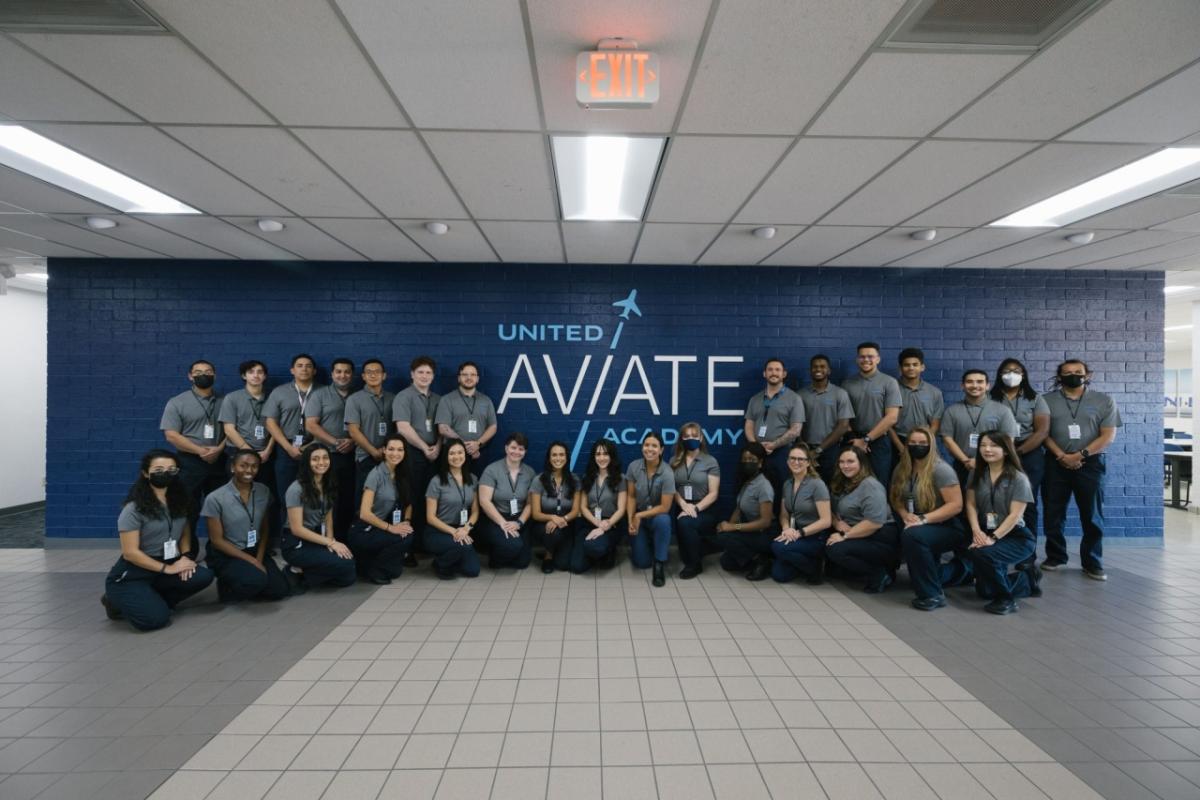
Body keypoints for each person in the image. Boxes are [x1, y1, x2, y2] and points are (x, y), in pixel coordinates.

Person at [102, 450, 214, 631]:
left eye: (171, 469)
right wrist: (168, 569)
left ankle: (151, 599)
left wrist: (185, 555)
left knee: (202, 576)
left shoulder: (180, 500)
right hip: (134, 572)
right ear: (146, 473)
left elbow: (185, 530)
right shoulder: (133, 509)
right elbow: (130, 553)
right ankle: (114, 601)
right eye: (159, 469)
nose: (166, 473)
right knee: (154, 621)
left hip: (167, 562)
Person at [1041, 359, 1122, 580]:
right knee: (1053, 512)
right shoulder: (1045, 400)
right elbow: (1042, 433)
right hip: (1055, 463)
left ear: (1088, 375)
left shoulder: (1104, 400)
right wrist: (1061, 456)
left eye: (1078, 372)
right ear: (1059, 377)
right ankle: (1056, 556)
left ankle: (1092, 562)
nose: (1073, 375)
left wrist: (1079, 455)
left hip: (1091, 464)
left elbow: (1108, 435)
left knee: (1092, 514)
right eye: (1067, 373)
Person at [965, 432, 1042, 614]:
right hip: (986, 531)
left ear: (1006, 450)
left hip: (1016, 536)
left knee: (982, 553)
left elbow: (1015, 515)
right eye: (983, 445)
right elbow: (970, 504)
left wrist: (992, 538)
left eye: (993, 445)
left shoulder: (1018, 478)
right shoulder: (976, 474)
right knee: (985, 592)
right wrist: (977, 531)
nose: (987, 449)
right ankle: (1027, 580)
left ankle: (1006, 600)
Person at [893, 427, 967, 611]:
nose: (917, 446)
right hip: (917, 523)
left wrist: (923, 519)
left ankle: (932, 595)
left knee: (913, 537)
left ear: (931, 445)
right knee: (925, 571)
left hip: (947, 526)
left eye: (922, 443)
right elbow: (895, 498)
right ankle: (965, 570)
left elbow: (956, 505)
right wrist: (905, 515)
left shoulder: (941, 470)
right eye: (913, 443)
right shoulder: (902, 468)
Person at [201, 449, 289, 602]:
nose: (249, 470)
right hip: (228, 554)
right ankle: (227, 587)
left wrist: (259, 558)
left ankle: (250, 582)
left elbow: (264, 528)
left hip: (254, 550)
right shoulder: (215, 498)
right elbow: (217, 541)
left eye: (254, 466)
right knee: (256, 580)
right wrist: (253, 562)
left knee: (279, 590)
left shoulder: (264, 491)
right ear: (233, 467)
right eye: (244, 465)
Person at [160, 359, 226, 548]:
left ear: (214, 375)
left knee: (221, 508)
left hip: (219, 462)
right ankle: (188, 550)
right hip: (189, 462)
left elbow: (232, 430)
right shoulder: (177, 402)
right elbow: (171, 435)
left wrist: (219, 449)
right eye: (198, 372)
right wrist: (200, 451)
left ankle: (219, 549)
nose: (203, 375)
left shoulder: (225, 401)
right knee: (188, 508)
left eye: (208, 371)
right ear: (190, 376)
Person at [281, 443, 356, 591]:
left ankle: (302, 572)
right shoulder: (296, 489)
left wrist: (331, 542)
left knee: (348, 570)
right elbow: (297, 529)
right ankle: (293, 572)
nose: (321, 462)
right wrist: (331, 543)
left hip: (317, 538)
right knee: (346, 568)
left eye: (325, 458)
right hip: (296, 543)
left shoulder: (328, 483)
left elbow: (328, 517)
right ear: (307, 463)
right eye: (315, 459)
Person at [824, 445, 899, 593]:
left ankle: (879, 573)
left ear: (862, 463)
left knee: (835, 549)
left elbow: (874, 523)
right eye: (842, 462)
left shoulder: (870, 486)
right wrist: (837, 523)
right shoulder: (842, 482)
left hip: (880, 536)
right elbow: (831, 510)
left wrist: (845, 536)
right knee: (831, 564)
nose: (845, 466)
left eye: (850, 461)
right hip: (857, 532)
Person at [992, 358, 1050, 537]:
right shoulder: (989, 398)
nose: (1011, 375)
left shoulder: (1035, 398)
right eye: (1006, 371)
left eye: (1016, 371)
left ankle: (1027, 554)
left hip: (1028, 452)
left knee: (1027, 502)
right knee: (996, 501)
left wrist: (1018, 452)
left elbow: (1042, 431)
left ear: (1023, 374)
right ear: (1000, 375)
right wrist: (1003, 452)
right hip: (996, 454)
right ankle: (997, 546)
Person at [347, 434, 416, 585]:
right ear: (384, 450)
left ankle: (369, 565)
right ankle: (373, 570)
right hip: (365, 529)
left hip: (383, 528)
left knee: (395, 570)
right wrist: (391, 528)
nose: (395, 453)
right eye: (391, 449)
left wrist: (407, 522)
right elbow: (365, 513)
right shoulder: (375, 475)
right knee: (404, 538)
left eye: (400, 450)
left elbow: (409, 504)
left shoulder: (403, 473)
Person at [264, 353, 319, 539]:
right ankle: (288, 538)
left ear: (314, 371)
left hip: (315, 448)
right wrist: (288, 448)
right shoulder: (279, 392)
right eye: (300, 365)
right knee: (286, 495)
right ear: (292, 370)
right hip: (285, 449)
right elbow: (270, 422)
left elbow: (327, 422)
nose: (304, 368)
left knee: (315, 495)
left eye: (308, 366)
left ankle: (312, 536)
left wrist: (309, 446)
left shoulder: (324, 391)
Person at [305, 358, 357, 538]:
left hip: (353, 455)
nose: (343, 375)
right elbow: (311, 425)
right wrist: (336, 442)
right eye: (338, 371)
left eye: (347, 371)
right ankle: (326, 538)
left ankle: (344, 538)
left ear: (352, 374)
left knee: (348, 500)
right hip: (327, 457)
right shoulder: (319, 395)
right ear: (332, 374)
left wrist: (352, 441)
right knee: (327, 500)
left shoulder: (358, 395)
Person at [940, 369, 1020, 486]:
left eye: (979, 382)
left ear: (987, 386)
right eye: (969, 382)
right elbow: (947, 439)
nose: (974, 385)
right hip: (962, 466)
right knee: (963, 502)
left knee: (991, 503)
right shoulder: (952, 411)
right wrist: (966, 461)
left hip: (994, 466)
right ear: (962, 385)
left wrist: (984, 460)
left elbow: (1008, 440)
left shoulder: (1003, 411)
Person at [393, 356, 441, 546]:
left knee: (430, 499)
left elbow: (443, 427)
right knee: (411, 498)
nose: (424, 376)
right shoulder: (403, 397)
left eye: (428, 372)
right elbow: (403, 427)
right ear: (412, 374)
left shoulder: (438, 399)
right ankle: (409, 546)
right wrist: (424, 447)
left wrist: (437, 447)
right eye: (420, 372)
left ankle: (425, 543)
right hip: (412, 454)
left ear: (433, 376)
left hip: (434, 455)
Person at [842, 342, 902, 490]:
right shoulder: (847, 384)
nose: (866, 360)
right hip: (854, 441)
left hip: (879, 441)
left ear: (878, 359)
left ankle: (878, 514)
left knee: (878, 484)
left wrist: (867, 439)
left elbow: (892, 417)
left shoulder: (889, 382)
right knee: (852, 483)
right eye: (862, 356)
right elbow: (844, 417)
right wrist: (855, 439)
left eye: (870, 356)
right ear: (857, 360)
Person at [770, 444, 832, 584]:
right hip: (795, 533)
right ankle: (804, 563)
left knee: (777, 546)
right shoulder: (787, 484)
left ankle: (815, 567)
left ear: (808, 462)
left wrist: (799, 533)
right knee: (779, 575)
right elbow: (784, 514)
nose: (796, 462)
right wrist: (786, 529)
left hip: (815, 537)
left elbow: (826, 520)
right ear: (787, 461)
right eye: (792, 458)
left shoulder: (817, 484)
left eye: (800, 459)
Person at [715, 442, 776, 581]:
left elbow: (765, 522)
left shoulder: (764, 486)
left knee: (724, 537)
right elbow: (738, 509)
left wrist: (733, 528)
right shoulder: (747, 482)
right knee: (727, 563)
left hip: (765, 534)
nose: (747, 463)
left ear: (760, 463)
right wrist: (728, 527)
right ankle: (755, 558)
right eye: (745, 460)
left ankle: (761, 560)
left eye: (752, 460)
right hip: (751, 531)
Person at [743, 357, 805, 494]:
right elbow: (748, 425)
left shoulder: (794, 398)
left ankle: (780, 516)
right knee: (757, 490)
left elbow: (796, 430)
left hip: (781, 452)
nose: (774, 373)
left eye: (778, 370)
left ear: (784, 374)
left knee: (781, 489)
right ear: (764, 374)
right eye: (770, 370)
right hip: (758, 454)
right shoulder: (755, 399)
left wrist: (773, 445)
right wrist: (756, 447)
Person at [478, 433, 538, 570]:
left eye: (521, 449)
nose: (516, 452)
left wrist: (519, 522)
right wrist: (503, 523)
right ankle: (496, 558)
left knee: (522, 563)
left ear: (525, 452)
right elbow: (484, 501)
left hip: (518, 519)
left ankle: (508, 552)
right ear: (506, 448)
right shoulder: (492, 470)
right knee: (513, 546)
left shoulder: (530, 472)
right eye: (513, 447)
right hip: (496, 518)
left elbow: (530, 503)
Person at [424, 441, 482, 579]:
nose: (456, 456)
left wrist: (466, 529)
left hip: (462, 530)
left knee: (472, 571)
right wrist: (454, 532)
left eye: (460, 452)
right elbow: (430, 517)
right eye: (452, 453)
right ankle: (440, 564)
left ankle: (448, 559)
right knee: (461, 547)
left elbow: (475, 511)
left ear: (465, 455)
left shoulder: (472, 479)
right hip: (438, 531)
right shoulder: (436, 481)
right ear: (446, 457)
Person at [671, 422, 721, 579]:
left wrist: (695, 508)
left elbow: (713, 493)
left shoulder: (710, 461)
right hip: (681, 506)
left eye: (694, 436)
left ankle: (695, 565)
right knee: (684, 554)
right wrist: (684, 505)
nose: (690, 439)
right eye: (686, 436)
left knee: (686, 523)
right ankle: (703, 548)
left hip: (704, 508)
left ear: (701, 438)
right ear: (681, 439)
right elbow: (671, 488)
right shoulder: (674, 460)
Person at [626, 432, 676, 586]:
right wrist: (630, 520)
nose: (650, 449)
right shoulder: (634, 467)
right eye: (646, 445)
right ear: (642, 448)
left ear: (661, 450)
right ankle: (649, 544)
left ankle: (659, 563)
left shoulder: (667, 472)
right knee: (641, 563)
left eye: (654, 446)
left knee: (664, 520)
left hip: (656, 516)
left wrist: (639, 515)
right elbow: (631, 497)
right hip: (639, 519)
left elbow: (665, 507)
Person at [344, 358, 396, 505]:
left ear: (384, 375)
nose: (373, 375)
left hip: (391, 457)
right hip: (365, 457)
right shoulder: (354, 399)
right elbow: (353, 431)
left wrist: (387, 451)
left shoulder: (393, 398)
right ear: (363, 377)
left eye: (377, 372)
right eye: (369, 372)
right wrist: (374, 452)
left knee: (389, 497)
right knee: (365, 498)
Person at [798, 355, 853, 482]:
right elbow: (796, 424)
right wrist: (804, 447)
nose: (818, 369)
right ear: (810, 370)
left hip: (831, 450)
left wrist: (819, 450)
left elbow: (843, 426)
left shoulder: (840, 394)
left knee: (831, 486)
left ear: (829, 370)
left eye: (822, 366)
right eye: (815, 367)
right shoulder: (800, 395)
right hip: (806, 450)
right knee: (806, 486)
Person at [529, 441, 581, 574]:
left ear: (567, 457)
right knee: (554, 533)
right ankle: (548, 555)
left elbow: (575, 511)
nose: (558, 458)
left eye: (561, 455)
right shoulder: (539, 480)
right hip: (543, 524)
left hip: (567, 524)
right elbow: (535, 513)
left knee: (563, 565)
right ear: (549, 458)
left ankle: (557, 551)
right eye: (554, 455)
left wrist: (562, 519)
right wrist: (552, 517)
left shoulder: (574, 480)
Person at [577, 439, 627, 573]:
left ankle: (605, 550)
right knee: (577, 567)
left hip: (611, 523)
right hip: (590, 522)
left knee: (599, 553)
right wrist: (597, 523)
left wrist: (606, 525)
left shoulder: (620, 478)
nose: (602, 458)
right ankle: (595, 551)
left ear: (612, 456)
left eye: (605, 454)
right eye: (598, 454)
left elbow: (622, 509)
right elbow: (583, 507)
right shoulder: (587, 477)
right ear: (593, 457)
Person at [435, 361, 497, 468]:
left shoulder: (486, 401)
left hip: (478, 454)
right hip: (453, 455)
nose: (469, 378)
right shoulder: (447, 399)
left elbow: (493, 426)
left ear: (477, 379)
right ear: (459, 378)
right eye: (465, 375)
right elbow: (442, 428)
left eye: (473, 375)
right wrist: (466, 446)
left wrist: (477, 444)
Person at [891, 348, 944, 467]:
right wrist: (900, 447)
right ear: (900, 368)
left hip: (925, 442)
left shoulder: (935, 392)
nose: (911, 368)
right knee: (898, 480)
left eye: (915, 364)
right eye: (906, 365)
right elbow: (887, 423)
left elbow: (935, 424)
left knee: (925, 479)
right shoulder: (891, 390)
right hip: (898, 441)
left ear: (922, 367)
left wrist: (925, 443)